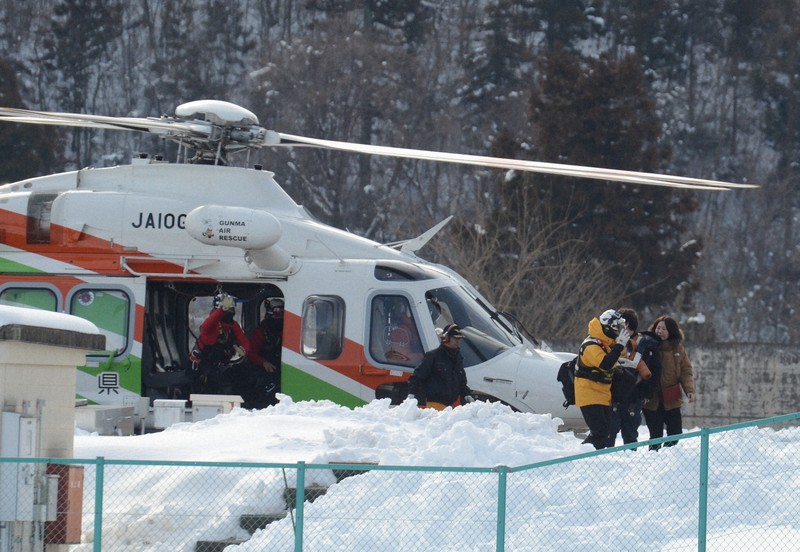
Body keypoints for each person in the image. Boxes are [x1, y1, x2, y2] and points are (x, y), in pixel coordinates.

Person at [575, 309, 630, 449]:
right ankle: (586, 456)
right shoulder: (591, 345)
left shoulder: (605, 343)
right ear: (608, 326)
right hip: (589, 394)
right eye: (617, 327)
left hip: (603, 394)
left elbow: (612, 362)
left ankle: (588, 453)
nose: (618, 330)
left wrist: (618, 347)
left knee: (606, 431)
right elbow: (605, 364)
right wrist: (618, 346)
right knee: (600, 431)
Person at [642, 315, 696, 450]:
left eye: (663, 329)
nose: (659, 331)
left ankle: (669, 458)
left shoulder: (678, 349)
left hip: (671, 397)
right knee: (655, 435)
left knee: (675, 433)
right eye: (658, 328)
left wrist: (689, 390)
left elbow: (686, 371)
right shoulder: (647, 345)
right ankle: (654, 459)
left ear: (671, 331)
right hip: (651, 398)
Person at [190, 293, 250, 394]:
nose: (231, 311)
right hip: (203, 365)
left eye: (232, 308)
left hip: (221, 364)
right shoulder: (212, 323)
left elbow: (243, 340)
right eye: (228, 309)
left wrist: (244, 349)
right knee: (216, 384)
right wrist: (222, 310)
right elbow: (206, 325)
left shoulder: (233, 325)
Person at [610, 308, 654, 446]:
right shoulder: (612, 342)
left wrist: (645, 393)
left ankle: (629, 460)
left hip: (633, 396)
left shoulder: (643, 344)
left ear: (627, 325)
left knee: (630, 433)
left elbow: (651, 371)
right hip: (613, 395)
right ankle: (605, 459)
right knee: (610, 430)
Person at [408, 323, 474, 410]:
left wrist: (467, 394)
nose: (458, 341)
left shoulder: (458, 358)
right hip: (434, 405)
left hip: (450, 405)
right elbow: (418, 377)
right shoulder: (433, 356)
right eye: (455, 338)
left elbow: (461, 381)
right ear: (446, 338)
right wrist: (411, 394)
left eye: (459, 339)